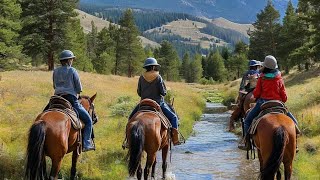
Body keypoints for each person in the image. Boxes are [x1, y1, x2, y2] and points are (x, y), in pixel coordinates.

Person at [238, 55, 299, 150]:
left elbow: (257, 93)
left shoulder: (261, 78)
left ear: (265, 66)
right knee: (294, 122)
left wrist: (256, 97)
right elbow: (284, 97)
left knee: (247, 121)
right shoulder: (279, 78)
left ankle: (247, 143)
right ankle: (295, 145)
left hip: (263, 103)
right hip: (278, 104)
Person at [125, 57, 180, 146]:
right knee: (174, 117)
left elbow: (139, 92)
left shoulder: (141, 77)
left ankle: (128, 141)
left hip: (143, 103)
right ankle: (175, 139)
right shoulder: (158, 77)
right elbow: (163, 92)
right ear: (154, 67)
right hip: (158, 103)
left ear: (146, 67)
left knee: (130, 118)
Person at [52, 50, 95, 152]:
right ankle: (86, 144)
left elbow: (54, 86)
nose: (72, 61)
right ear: (68, 60)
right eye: (71, 59)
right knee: (88, 121)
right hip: (70, 99)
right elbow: (79, 88)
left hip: (56, 99)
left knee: (45, 112)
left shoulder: (55, 71)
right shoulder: (72, 70)